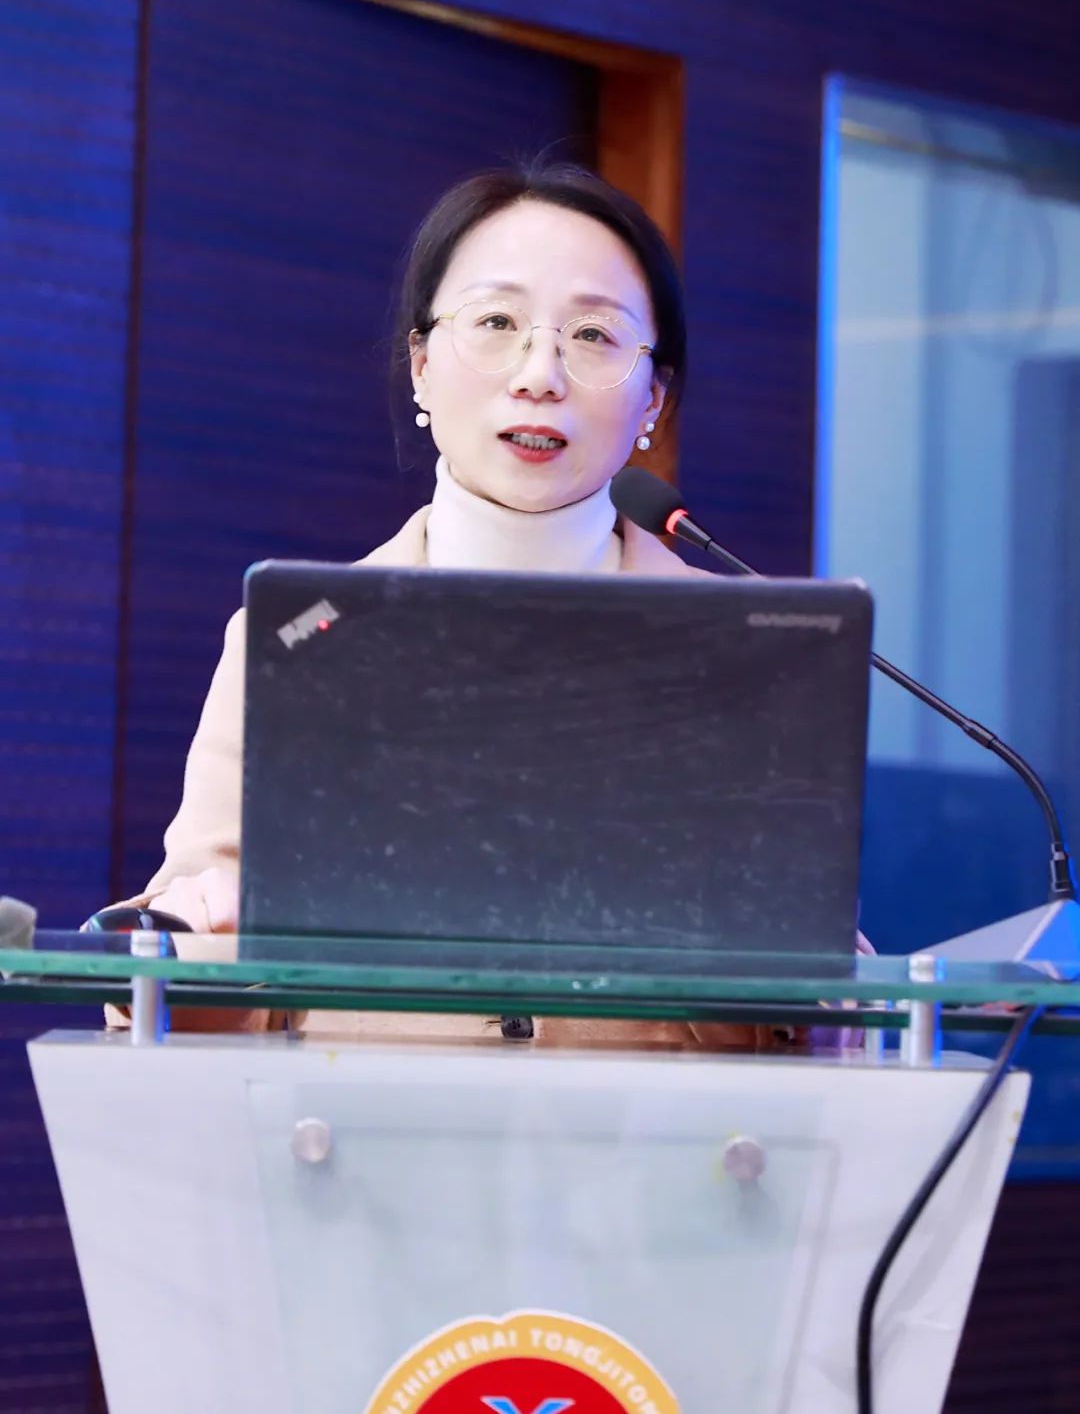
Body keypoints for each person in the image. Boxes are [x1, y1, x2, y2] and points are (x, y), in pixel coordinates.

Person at [103, 161, 861, 1048]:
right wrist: (198, 949)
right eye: (497, 322)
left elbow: (815, 1018)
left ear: (652, 398)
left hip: (667, 1133)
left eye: (594, 334)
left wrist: (803, 978)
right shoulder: (299, 638)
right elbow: (187, 984)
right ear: (422, 365)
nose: (540, 374)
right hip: (358, 1128)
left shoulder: (751, 658)